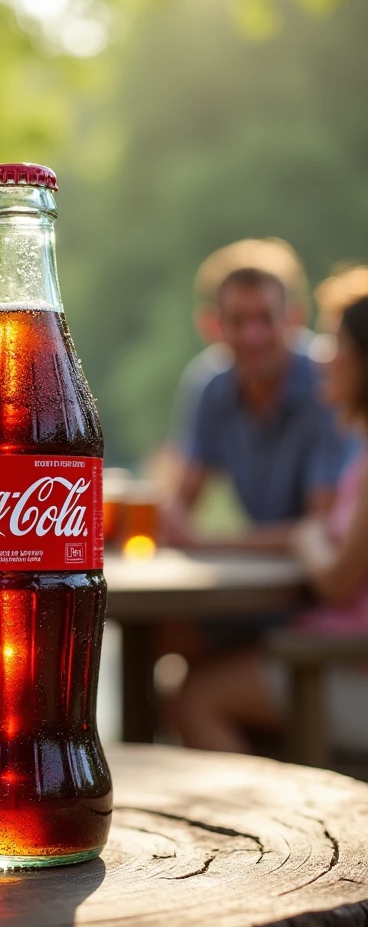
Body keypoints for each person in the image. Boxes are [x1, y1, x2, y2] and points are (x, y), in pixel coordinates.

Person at [170, 267, 368, 753]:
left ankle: (255, 826)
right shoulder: (212, 388)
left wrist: (306, 537)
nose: (325, 359)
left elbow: (339, 579)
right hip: (326, 647)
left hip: (341, 661)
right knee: (182, 651)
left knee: (195, 697)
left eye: (336, 345)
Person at [164, 262, 352, 551]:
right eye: (238, 321)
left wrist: (209, 543)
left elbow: (323, 526)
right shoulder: (210, 386)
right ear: (214, 326)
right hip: (276, 574)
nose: (252, 336)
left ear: (294, 319)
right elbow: (181, 503)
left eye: (265, 319)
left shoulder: (329, 382)